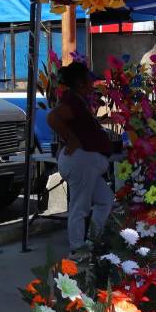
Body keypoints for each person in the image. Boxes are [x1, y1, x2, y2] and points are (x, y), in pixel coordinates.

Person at [47, 62, 114, 250]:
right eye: (88, 79)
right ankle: (78, 250)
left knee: (105, 200)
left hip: (87, 164)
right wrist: (71, 139)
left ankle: (92, 242)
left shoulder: (78, 100)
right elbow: (53, 118)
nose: (92, 83)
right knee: (79, 207)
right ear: (79, 82)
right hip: (81, 161)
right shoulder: (72, 101)